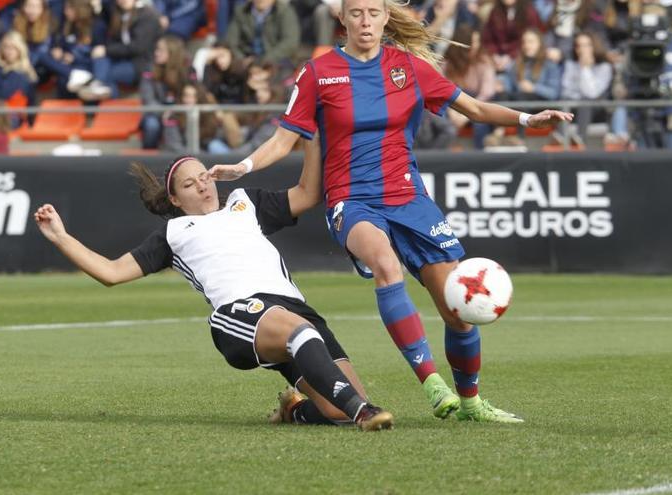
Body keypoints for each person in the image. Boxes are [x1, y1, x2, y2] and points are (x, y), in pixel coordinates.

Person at [210, 0, 574, 423]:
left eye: (374, 13)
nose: (365, 21)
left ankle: (472, 402)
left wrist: (530, 119)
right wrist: (244, 166)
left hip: (408, 198)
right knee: (386, 266)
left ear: (386, 18)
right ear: (342, 19)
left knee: (455, 307)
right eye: (357, 13)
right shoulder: (317, 73)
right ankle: (432, 384)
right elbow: (283, 139)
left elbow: (473, 109)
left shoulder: (408, 67)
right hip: (352, 198)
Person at [34, 151, 395, 431]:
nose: (203, 185)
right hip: (239, 313)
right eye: (189, 185)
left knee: (336, 410)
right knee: (316, 354)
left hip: (292, 308)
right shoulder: (174, 233)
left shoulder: (245, 203)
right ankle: (364, 412)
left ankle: (296, 410)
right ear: (175, 200)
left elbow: (309, 193)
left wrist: (311, 133)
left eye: (204, 176)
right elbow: (111, 272)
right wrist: (61, 238)